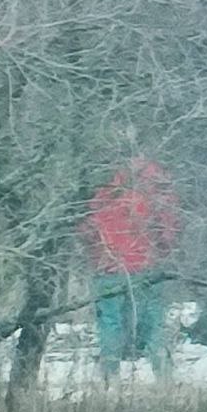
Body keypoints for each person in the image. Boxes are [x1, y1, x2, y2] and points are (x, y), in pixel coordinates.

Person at [78, 156, 181, 379]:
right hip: (147, 268)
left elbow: (86, 230)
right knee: (154, 325)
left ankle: (109, 378)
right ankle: (164, 378)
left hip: (107, 267)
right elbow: (167, 230)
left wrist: (97, 254)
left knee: (110, 323)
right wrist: (161, 251)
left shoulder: (100, 184)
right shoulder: (157, 183)